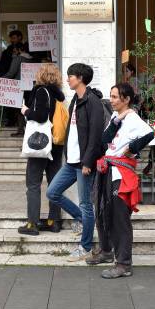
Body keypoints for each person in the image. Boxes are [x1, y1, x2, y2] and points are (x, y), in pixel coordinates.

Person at [88, 83, 154, 279]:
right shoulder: (116, 118)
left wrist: (133, 148)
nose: (112, 100)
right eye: (111, 96)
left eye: (115, 97)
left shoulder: (133, 118)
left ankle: (124, 263)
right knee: (102, 213)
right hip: (108, 170)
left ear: (126, 99)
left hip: (121, 173)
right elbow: (104, 140)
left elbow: (150, 133)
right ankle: (107, 251)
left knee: (119, 219)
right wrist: (116, 122)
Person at [46, 63, 105, 261]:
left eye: (70, 76)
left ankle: (86, 247)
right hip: (71, 161)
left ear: (80, 78)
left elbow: (96, 136)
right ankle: (81, 218)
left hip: (84, 163)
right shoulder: (75, 100)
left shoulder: (92, 102)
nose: (67, 79)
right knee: (52, 192)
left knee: (86, 203)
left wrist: (88, 162)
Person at [17, 64, 66, 235]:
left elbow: (41, 116)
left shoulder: (41, 91)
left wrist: (26, 111)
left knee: (33, 183)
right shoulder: (59, 95)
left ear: (42, 75)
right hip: (56, 143)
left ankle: (32, 224)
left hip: (41, 143)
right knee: (54, 183)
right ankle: (53, 221)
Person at [3, 44, 34, 137]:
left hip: (19, 87)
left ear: (20, 50)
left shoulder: (18, 59)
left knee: (19, 110)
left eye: (14, 50)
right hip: (31, 87)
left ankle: (21, 131)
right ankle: (30, 131)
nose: (13, 52)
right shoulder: (32, 59)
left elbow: (11, 73)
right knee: (29, 108)